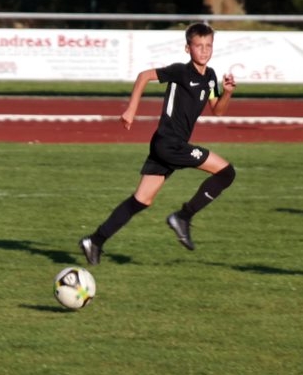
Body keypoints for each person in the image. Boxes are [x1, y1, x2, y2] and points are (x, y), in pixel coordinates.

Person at [78, 22, 237, 264]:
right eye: (199, 46)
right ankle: (183, 217)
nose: (204, 50)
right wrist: (131, 110)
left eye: (209, 46)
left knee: (141, 200)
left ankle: (95, 241)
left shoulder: (211, 77)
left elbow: (218, 110)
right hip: (169, 144)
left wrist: (227, 93)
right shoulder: (180, 71)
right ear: (188, 48)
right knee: (226, 173)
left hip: (168, 145)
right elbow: (144, 76)